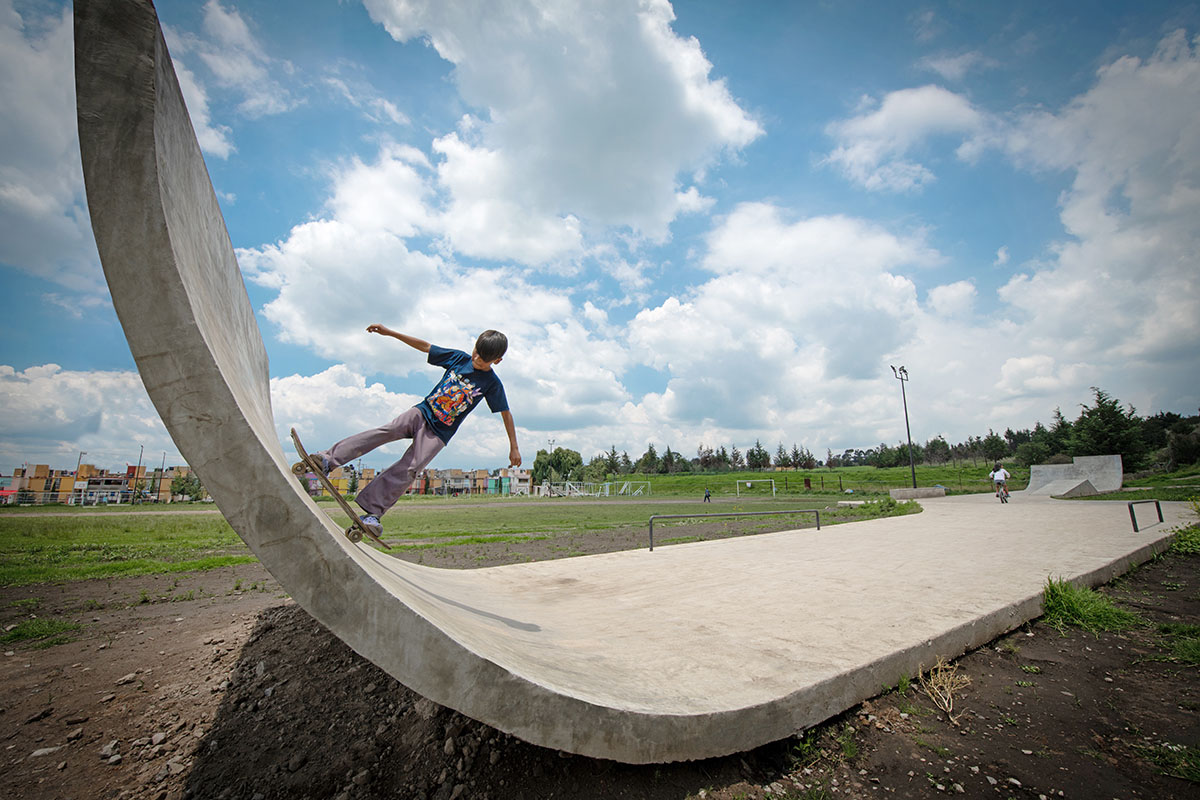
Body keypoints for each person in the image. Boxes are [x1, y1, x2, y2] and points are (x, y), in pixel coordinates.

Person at [297, 325, 521, 538]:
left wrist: (514, 447)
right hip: (422, 412)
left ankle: (373, 513)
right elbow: (425, 346)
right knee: (388, 430)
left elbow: (506, 413)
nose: (476, 359)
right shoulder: (459, 358)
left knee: (412, 467)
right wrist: (390, 333)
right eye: (476, 352)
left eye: (483, 359)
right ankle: (327, 460)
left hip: (439, 433)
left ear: (497, 361)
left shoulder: (492, 383)